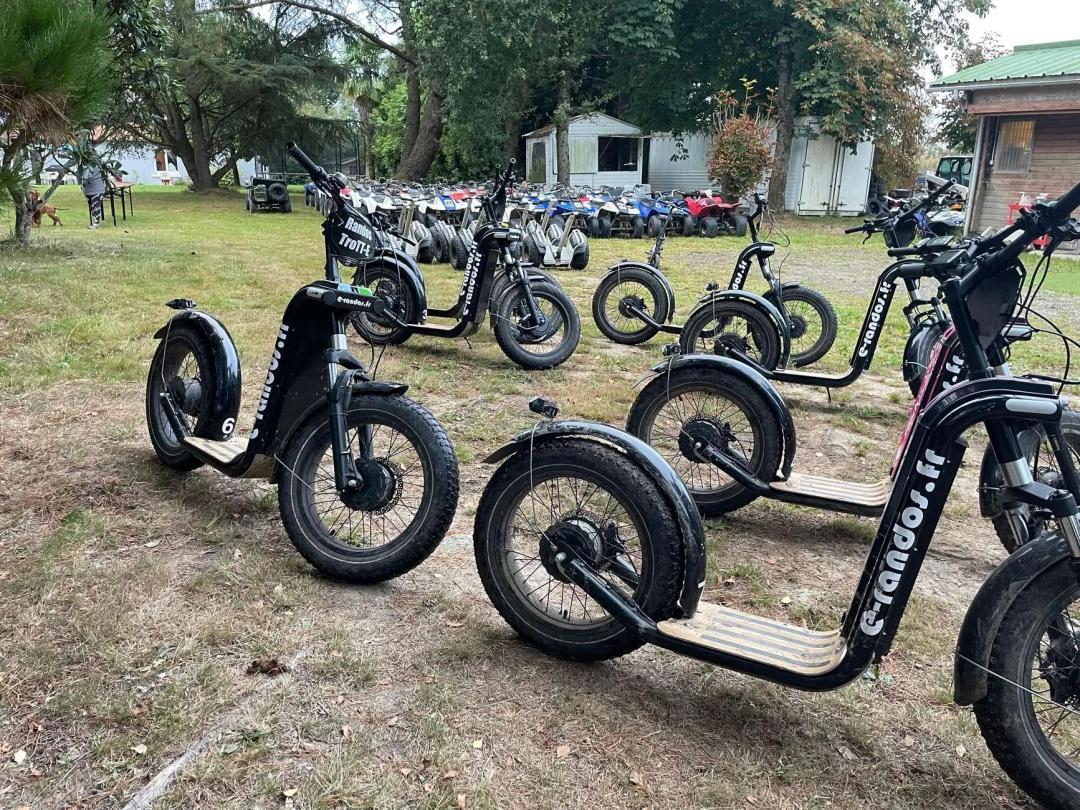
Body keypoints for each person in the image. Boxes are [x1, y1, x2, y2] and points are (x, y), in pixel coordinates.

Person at [80, 163, 106, 229]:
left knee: (95, 206)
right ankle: (95, 223)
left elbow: (85, 178)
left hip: (96, 189)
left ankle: (96, 224)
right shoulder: (84, 165)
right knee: (93, 206)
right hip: (90, 190)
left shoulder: (94, 165)